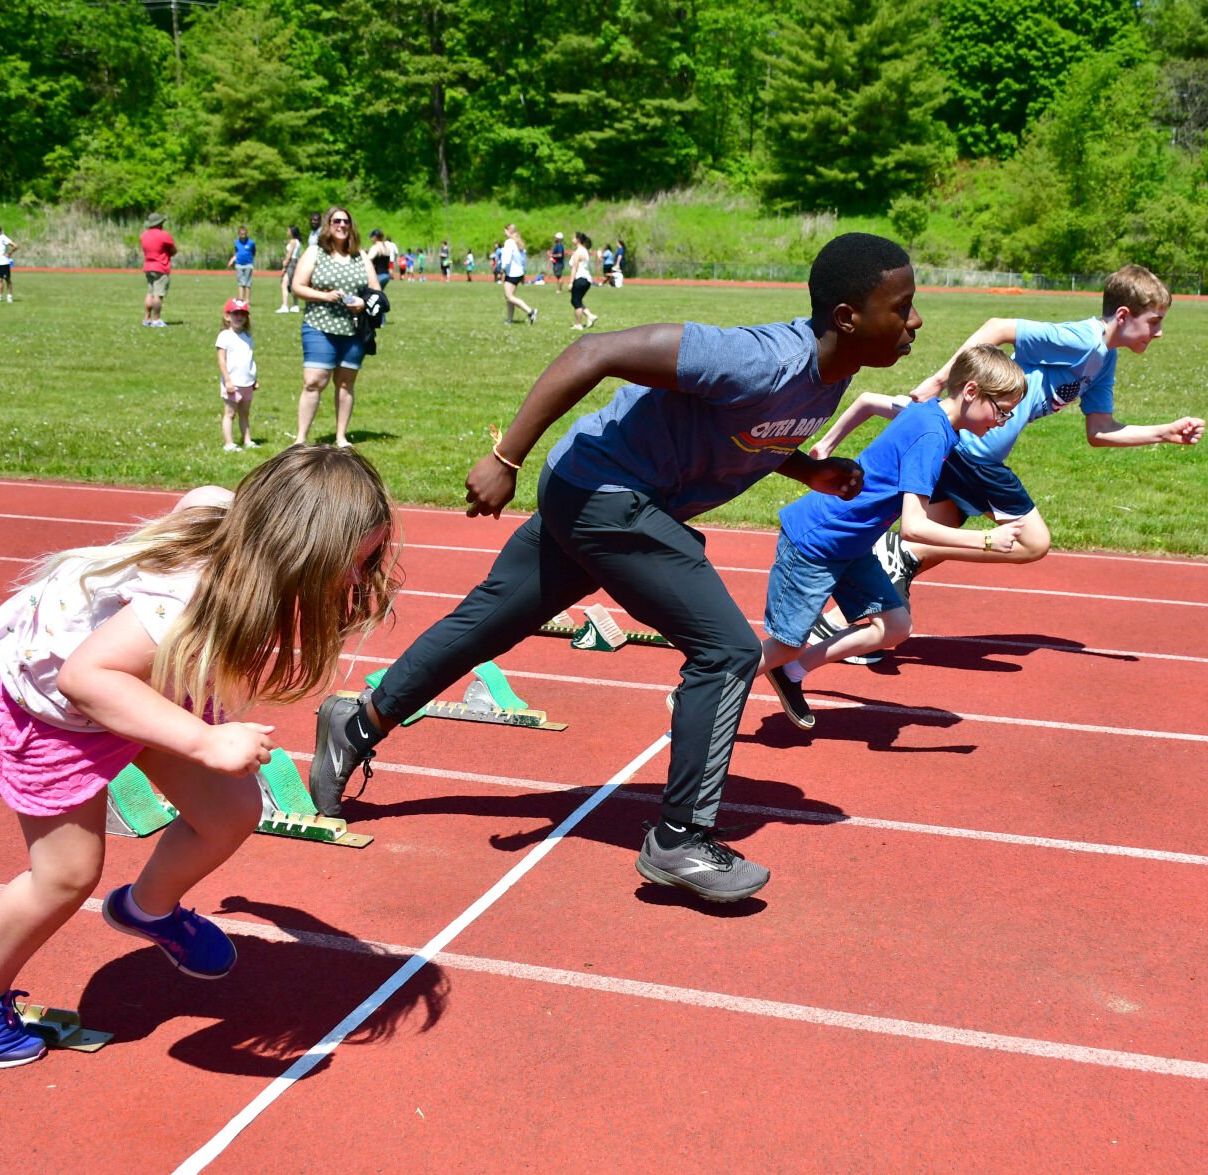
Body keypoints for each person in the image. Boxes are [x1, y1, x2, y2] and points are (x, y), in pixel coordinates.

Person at [306, 232, 922, 904]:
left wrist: (810, 469)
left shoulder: (832, 378)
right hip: (604, 493)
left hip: (599, 491)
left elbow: (753, 432)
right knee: (725, 650)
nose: (914, 321)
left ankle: (358, 721)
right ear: (846, 318)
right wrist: (505, 460)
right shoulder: (755, 359)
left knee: (487, 623)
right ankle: (679, 838)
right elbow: (592, 351)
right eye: (903, 307)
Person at [0, 445, 400, 1069]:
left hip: (147, 684)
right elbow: (85, 678)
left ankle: (146, 909)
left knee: (229, 810)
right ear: (294, 550)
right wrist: (204, 741)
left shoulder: (235, 522)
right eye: (352, 564)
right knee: (66, 874)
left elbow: (204, 495)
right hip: (56, 705)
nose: (360, 581)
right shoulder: (183, 603)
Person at [808, 264, 1204, 662]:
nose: (1159, 332)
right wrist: (939, 379)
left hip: (971, 450)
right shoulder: (1083, 340)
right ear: (1123, 316)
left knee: (938, 537)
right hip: (974, 453)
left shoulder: (1104, 362)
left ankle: (837, 621)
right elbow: (998, 326)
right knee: (1033, 543)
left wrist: (1164, 432)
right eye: (1154, 321)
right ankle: (900, 556)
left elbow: (1098, 430)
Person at [755, 345, 1027, 728]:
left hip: (851, 545)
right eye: (1001, 410)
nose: (1003, 421)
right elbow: (913, 527)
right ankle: (705, 689)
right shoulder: (932, 435)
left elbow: (867, 402)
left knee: (895, 626)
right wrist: (985, 540)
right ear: (970, 392)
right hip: (818, 541)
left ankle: (792, 673)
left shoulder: (931, 414)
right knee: (786, 642)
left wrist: (830, 443)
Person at [291, 204, 380, 447]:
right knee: (313, 382)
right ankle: (300, 439)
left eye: (346, 222)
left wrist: (363, 302)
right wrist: (325, 296)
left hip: (352, 330)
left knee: (345, 382)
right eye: (337, 221)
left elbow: (376, 291)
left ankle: (341, 436)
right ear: (328, 225)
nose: (342, 225)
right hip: (319, 326)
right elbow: (297, 286)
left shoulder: (359, 256)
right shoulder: (315, 253)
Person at [215, 298, 259, 451]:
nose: (239, 317)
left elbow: (250, 359)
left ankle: (247, 440)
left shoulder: (247, 337)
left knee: (245, 413)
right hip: (232, 383)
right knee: (230, 413)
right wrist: (227, 380)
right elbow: (221, 360)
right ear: (227, 316)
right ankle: (229, 443)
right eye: (235, 314)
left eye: (242, 314)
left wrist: (254, 379)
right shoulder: (225, 336)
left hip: (247, 382)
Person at [140, 213, 177, 328]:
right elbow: (173, 250)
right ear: (160, 223)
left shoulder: (144, 235)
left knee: (149, 293)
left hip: (148, 266)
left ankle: (146, 318)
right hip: (160, 267)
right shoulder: (164, 235)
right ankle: (156, 319)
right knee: (158, 295)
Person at [497, 224, 537, 325]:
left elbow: (507, 258)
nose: (504, 233)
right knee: (510, 297)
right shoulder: (518, 242)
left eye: (505, 231)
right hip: (519, 273)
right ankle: (509, 319)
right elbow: (523, 260)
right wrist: (523, 272)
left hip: (512, 273)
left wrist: (502, 270)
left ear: (509, 231)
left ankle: (530, 312)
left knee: (509, 297)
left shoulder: (509, 243)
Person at [567, 230, 598, 331]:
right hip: (587, 279)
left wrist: (571, 282)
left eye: (573, 237)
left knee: (576, 302)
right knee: (576, 300)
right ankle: (590, 316)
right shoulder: (585, 250)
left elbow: (574, 268)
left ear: (578, 239)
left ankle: (578, 324)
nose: (572, 239)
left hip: (580, 278)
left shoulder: (578, 252)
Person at [277, 226, 302, 313]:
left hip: (291, 263)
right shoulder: (298, 242)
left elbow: (289, 254)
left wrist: (284, 265)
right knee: (293, 284)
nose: (287, 232)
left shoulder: (293, 241)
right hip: (295, 263)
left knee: (284, 284)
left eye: (288, 230)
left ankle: (285, 305)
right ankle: (295, 305)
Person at [0, 224, 16, 303]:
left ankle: (9, 297)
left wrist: (9, 253)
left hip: (4, 263)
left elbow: (15, 245)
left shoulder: (3, 238)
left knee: (7, 279)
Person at [232, 226, 257, 303]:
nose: (243, 236)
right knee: (241, 283)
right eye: (242, 234)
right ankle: (241, 300)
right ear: (239, 234)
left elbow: (254, 252)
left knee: (247, 283)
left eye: (245, 234)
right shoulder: (236, 242)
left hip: (248, 265)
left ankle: (247, 300)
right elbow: (236, 252)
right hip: (239, 264)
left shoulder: (251, 243)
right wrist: (233, 260)